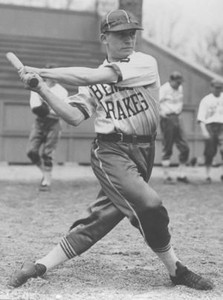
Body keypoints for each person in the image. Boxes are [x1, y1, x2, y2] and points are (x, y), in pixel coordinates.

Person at [8, 9, 213, 291]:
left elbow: (93, 77)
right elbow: (73, 116)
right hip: (110, 152)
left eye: (132, 33)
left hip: (143, 150)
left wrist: (40, 71)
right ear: (104, 37)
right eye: (120, 34)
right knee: (149, 205)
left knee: (103, 217)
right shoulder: (95, 78)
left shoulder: (144, 63)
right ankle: (176, 269)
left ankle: (40, 264)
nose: (129, 38)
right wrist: (42, 88)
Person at [26, 67, 68, 191]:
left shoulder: (62, 91)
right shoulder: (37, 86)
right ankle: (45, 174)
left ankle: (47, 181)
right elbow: (36, 108)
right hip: (40, 122)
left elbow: (61, 111)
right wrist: (50, 109)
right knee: (31, 151)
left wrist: (48, 109)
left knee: (47, 153)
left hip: (54, 123)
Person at [159, 71, 190, 184]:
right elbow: (155, 103)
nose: (179, 84)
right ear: (171, 80)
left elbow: (179, 103)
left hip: (177, 117)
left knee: (185, 147)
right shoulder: (164, 89)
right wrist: (162, 113)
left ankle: (181, 174)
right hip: (167, 118)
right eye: (177, 82)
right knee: (168, 146)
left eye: (180, 82)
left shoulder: (180, 88)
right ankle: (166, 176)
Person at [197, 78, 223, 183]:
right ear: (211, 87)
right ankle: (208, 175)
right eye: (216, 88)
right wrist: (204, 131)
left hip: (222, 126)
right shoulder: (206, 100)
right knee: (210, 152)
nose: (218, 90)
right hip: (210, 126)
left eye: (220, 88)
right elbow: (201, 118)